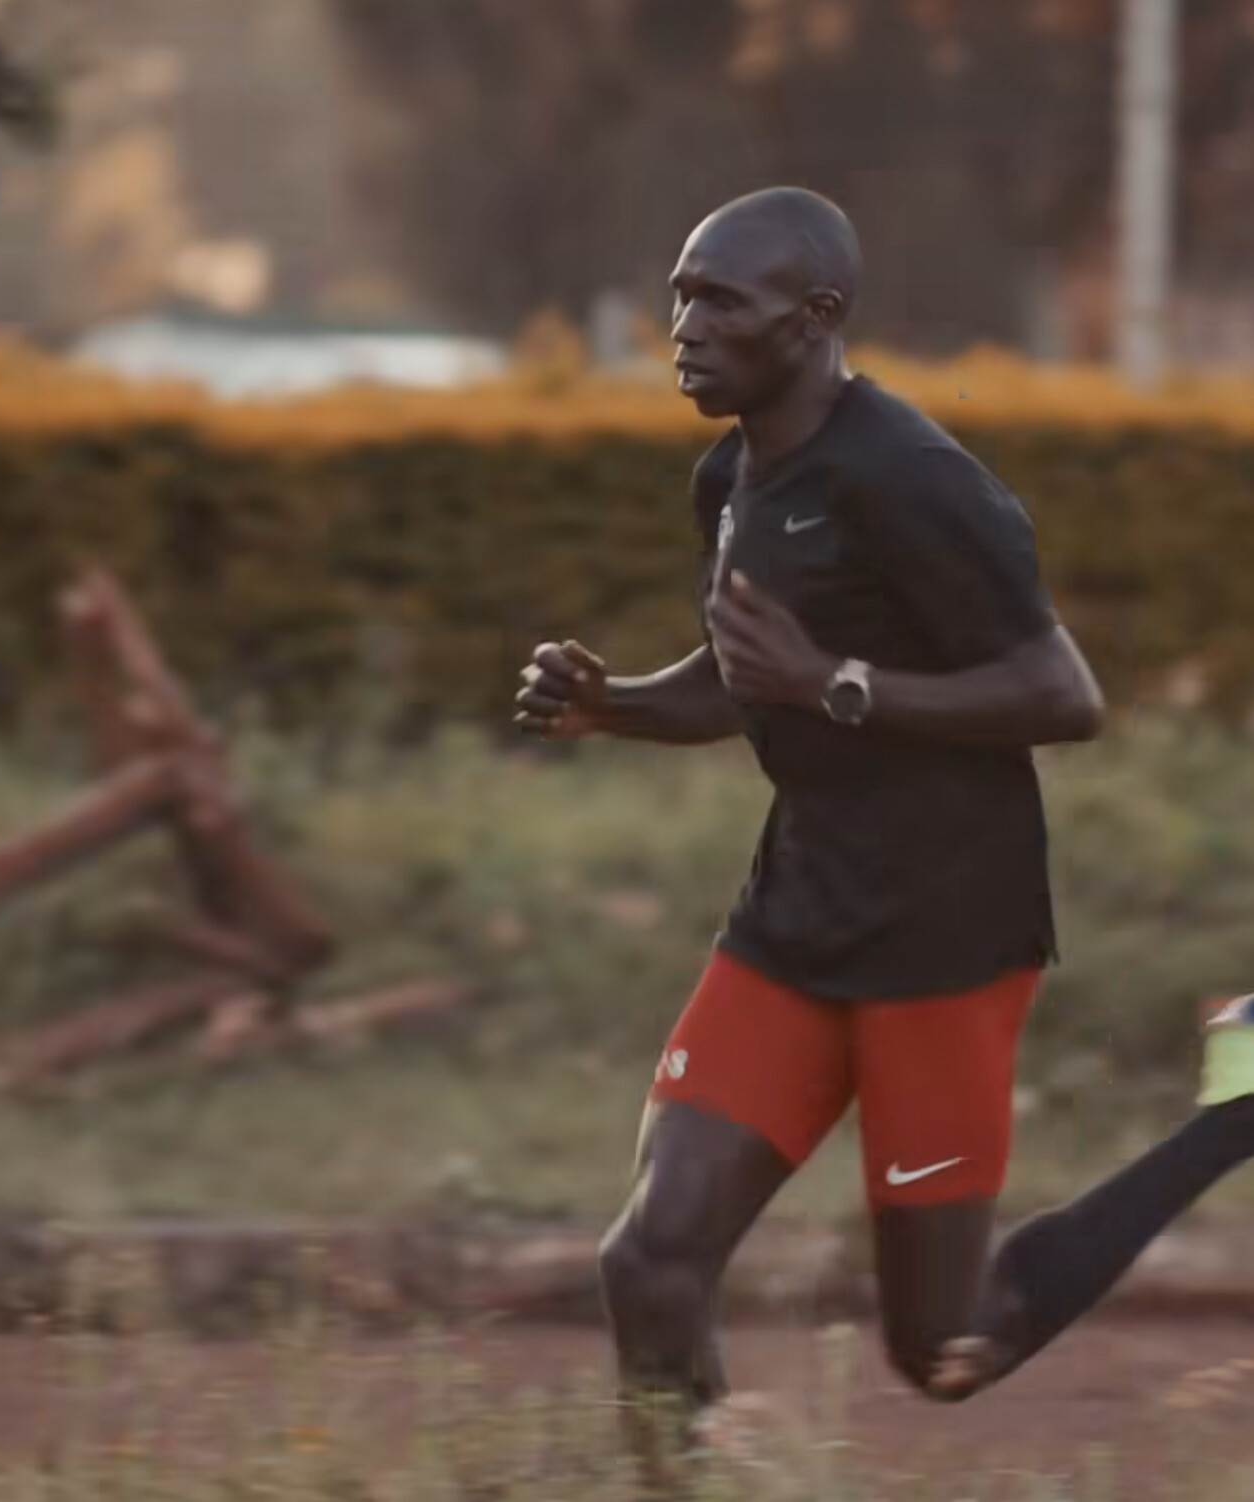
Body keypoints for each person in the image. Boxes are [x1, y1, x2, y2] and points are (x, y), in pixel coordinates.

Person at [515, 187, 1254, 1441]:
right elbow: (746, 674)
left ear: (815, 317)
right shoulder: (731, 475)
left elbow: (1063, 694)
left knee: (945, 1348)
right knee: (649, 1261)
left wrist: (836, 683)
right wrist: (613, 705)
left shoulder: (913, 478)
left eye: (720, 302)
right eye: (681, 297)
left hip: (946, 935)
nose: (684, 328)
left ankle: (1234, 1113)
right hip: (797, 914)